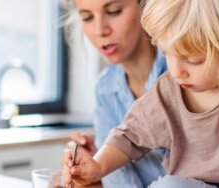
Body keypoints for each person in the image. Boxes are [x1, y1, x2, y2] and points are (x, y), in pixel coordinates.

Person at [63, 0, 219, 187]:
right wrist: (98, 166)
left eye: (193, 59)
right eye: (167, 53)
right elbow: (128, 137)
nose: (175, 70)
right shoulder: (168, 88)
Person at [62, 0, 167, 187]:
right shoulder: (105, 89)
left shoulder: (184, 75)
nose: (100, 30)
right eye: (87, 17)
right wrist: (94, 163)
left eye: (114, 11)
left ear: (145, 6)